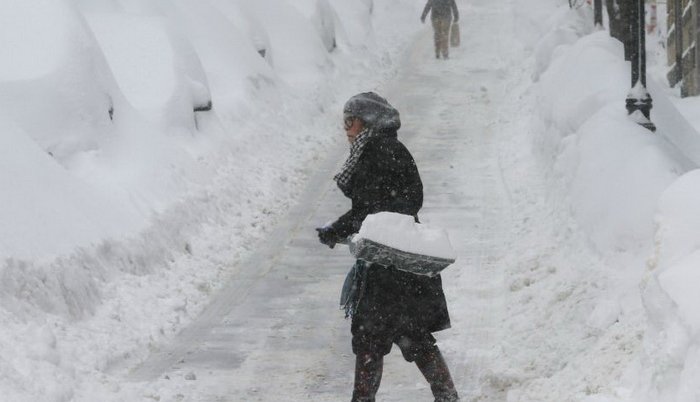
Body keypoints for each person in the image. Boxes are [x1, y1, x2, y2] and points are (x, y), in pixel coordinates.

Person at [316, 92, 459, 402]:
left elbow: (367, 210)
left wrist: (336, 230)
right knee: (409, 333)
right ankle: (446, 396)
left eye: (349, 122)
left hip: (388, 264)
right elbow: (388, 204)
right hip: (397, 261)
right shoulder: (388, 148)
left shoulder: (376, 152)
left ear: (366, 122)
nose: (346, 129)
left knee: (373, 333)